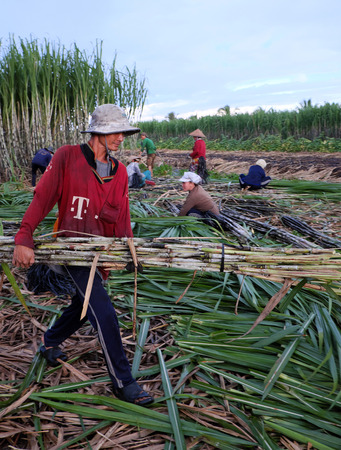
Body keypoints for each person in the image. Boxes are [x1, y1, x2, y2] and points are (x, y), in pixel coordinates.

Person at [12, 104, 154, 406]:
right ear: (97, 134)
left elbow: (122, 215)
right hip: (71, 249)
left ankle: (49, 343)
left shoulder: (118, 174)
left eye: (122, 133)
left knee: (82, 306)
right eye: (113, 132)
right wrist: (24, 236)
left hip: (98, 254)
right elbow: (43, 196)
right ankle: (123, 381)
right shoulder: (67, 157)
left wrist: (128, 250)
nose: (120, 138)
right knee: (102, 310)